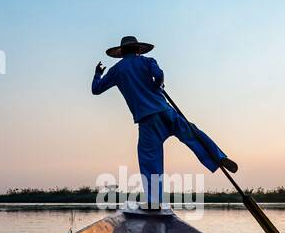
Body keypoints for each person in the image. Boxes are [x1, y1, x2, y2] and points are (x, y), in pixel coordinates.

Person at [92, 35, 238, 208]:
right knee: (193, 134)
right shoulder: (147, 61)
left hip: (147, 121)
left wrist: (97, 74)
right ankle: (218, 156)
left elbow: (96, 90)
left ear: (122, 52)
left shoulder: (117, 71)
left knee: (150, 161)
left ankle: (155, 202)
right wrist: (158, 85)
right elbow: (159, 75)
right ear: (138, 50)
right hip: (166, 111)